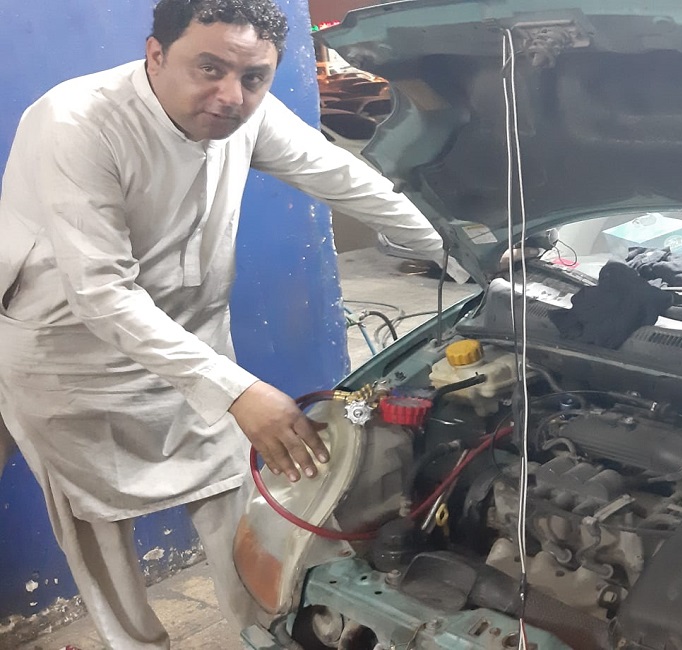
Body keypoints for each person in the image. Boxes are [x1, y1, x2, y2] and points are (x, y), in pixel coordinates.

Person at [0, 0, 462, 647]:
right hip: (71, 350)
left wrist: (461, 254)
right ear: (156, 55)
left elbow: (343, 178)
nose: (231, 96)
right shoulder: (76, 121)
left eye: (253, 77)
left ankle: (264, 633)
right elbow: (101, 293)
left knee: (234, 496)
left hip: (191, 345)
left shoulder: (247, 111)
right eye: (209, 68)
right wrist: (239, 390)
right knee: (99, 521)